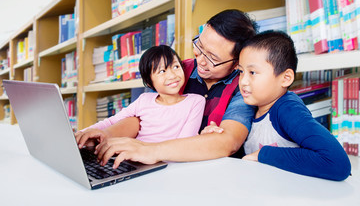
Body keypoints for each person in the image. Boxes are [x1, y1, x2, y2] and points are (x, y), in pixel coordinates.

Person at [77, 9, 257, 168]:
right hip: (159, 166)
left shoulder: (243, 87)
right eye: (199, 46)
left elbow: (228, 142)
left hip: (208, 174)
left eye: (212, 58)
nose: (200, 60)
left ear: (236, 64)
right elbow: (141, 117)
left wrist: (150, 150)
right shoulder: (177, 70)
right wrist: (105, 135)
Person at [214, 30, 351, 180]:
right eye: (241, 72)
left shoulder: (288, 110)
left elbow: (337, 163)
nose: (243, 81)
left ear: (285, 78)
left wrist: (264, 154)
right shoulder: (252, 106)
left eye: (252, 72)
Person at [76, 45, 205, 149]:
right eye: (162, 71)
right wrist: (82, 133)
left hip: (165, 160)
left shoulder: (196, 101)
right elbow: (112, 121)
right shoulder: (144, 100)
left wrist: (141, 149)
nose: (172, 75)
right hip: (134, 159)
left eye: (176, 67)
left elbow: (184, 143)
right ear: (149, 82)